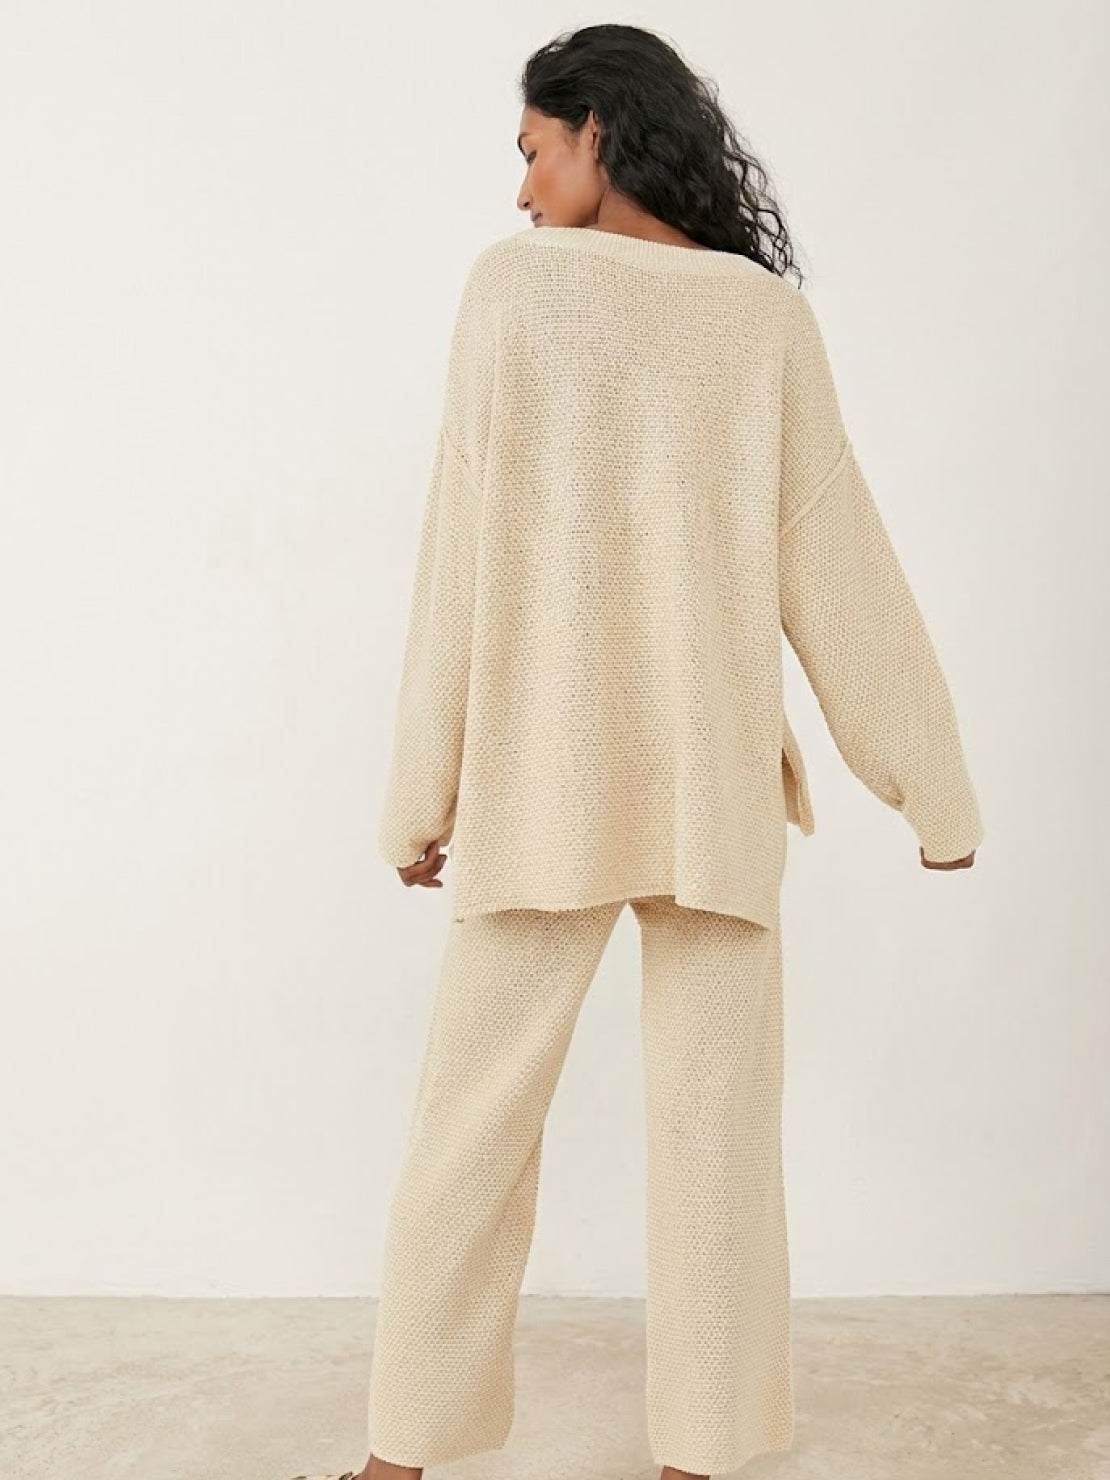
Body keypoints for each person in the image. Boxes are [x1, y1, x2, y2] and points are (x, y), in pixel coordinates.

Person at [291, 21, 982, 1480]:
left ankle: (400, 1455)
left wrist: (421, 795)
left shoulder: (510, 296)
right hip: (708, 790)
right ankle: (702, 1455)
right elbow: (839, 566)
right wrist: (931, 788)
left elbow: (457, 561)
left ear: (598, 131)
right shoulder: (762, 319)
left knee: (468, 1134)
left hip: (539, 781)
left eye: (534, 151)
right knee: (718, 1146)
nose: (520, 189)